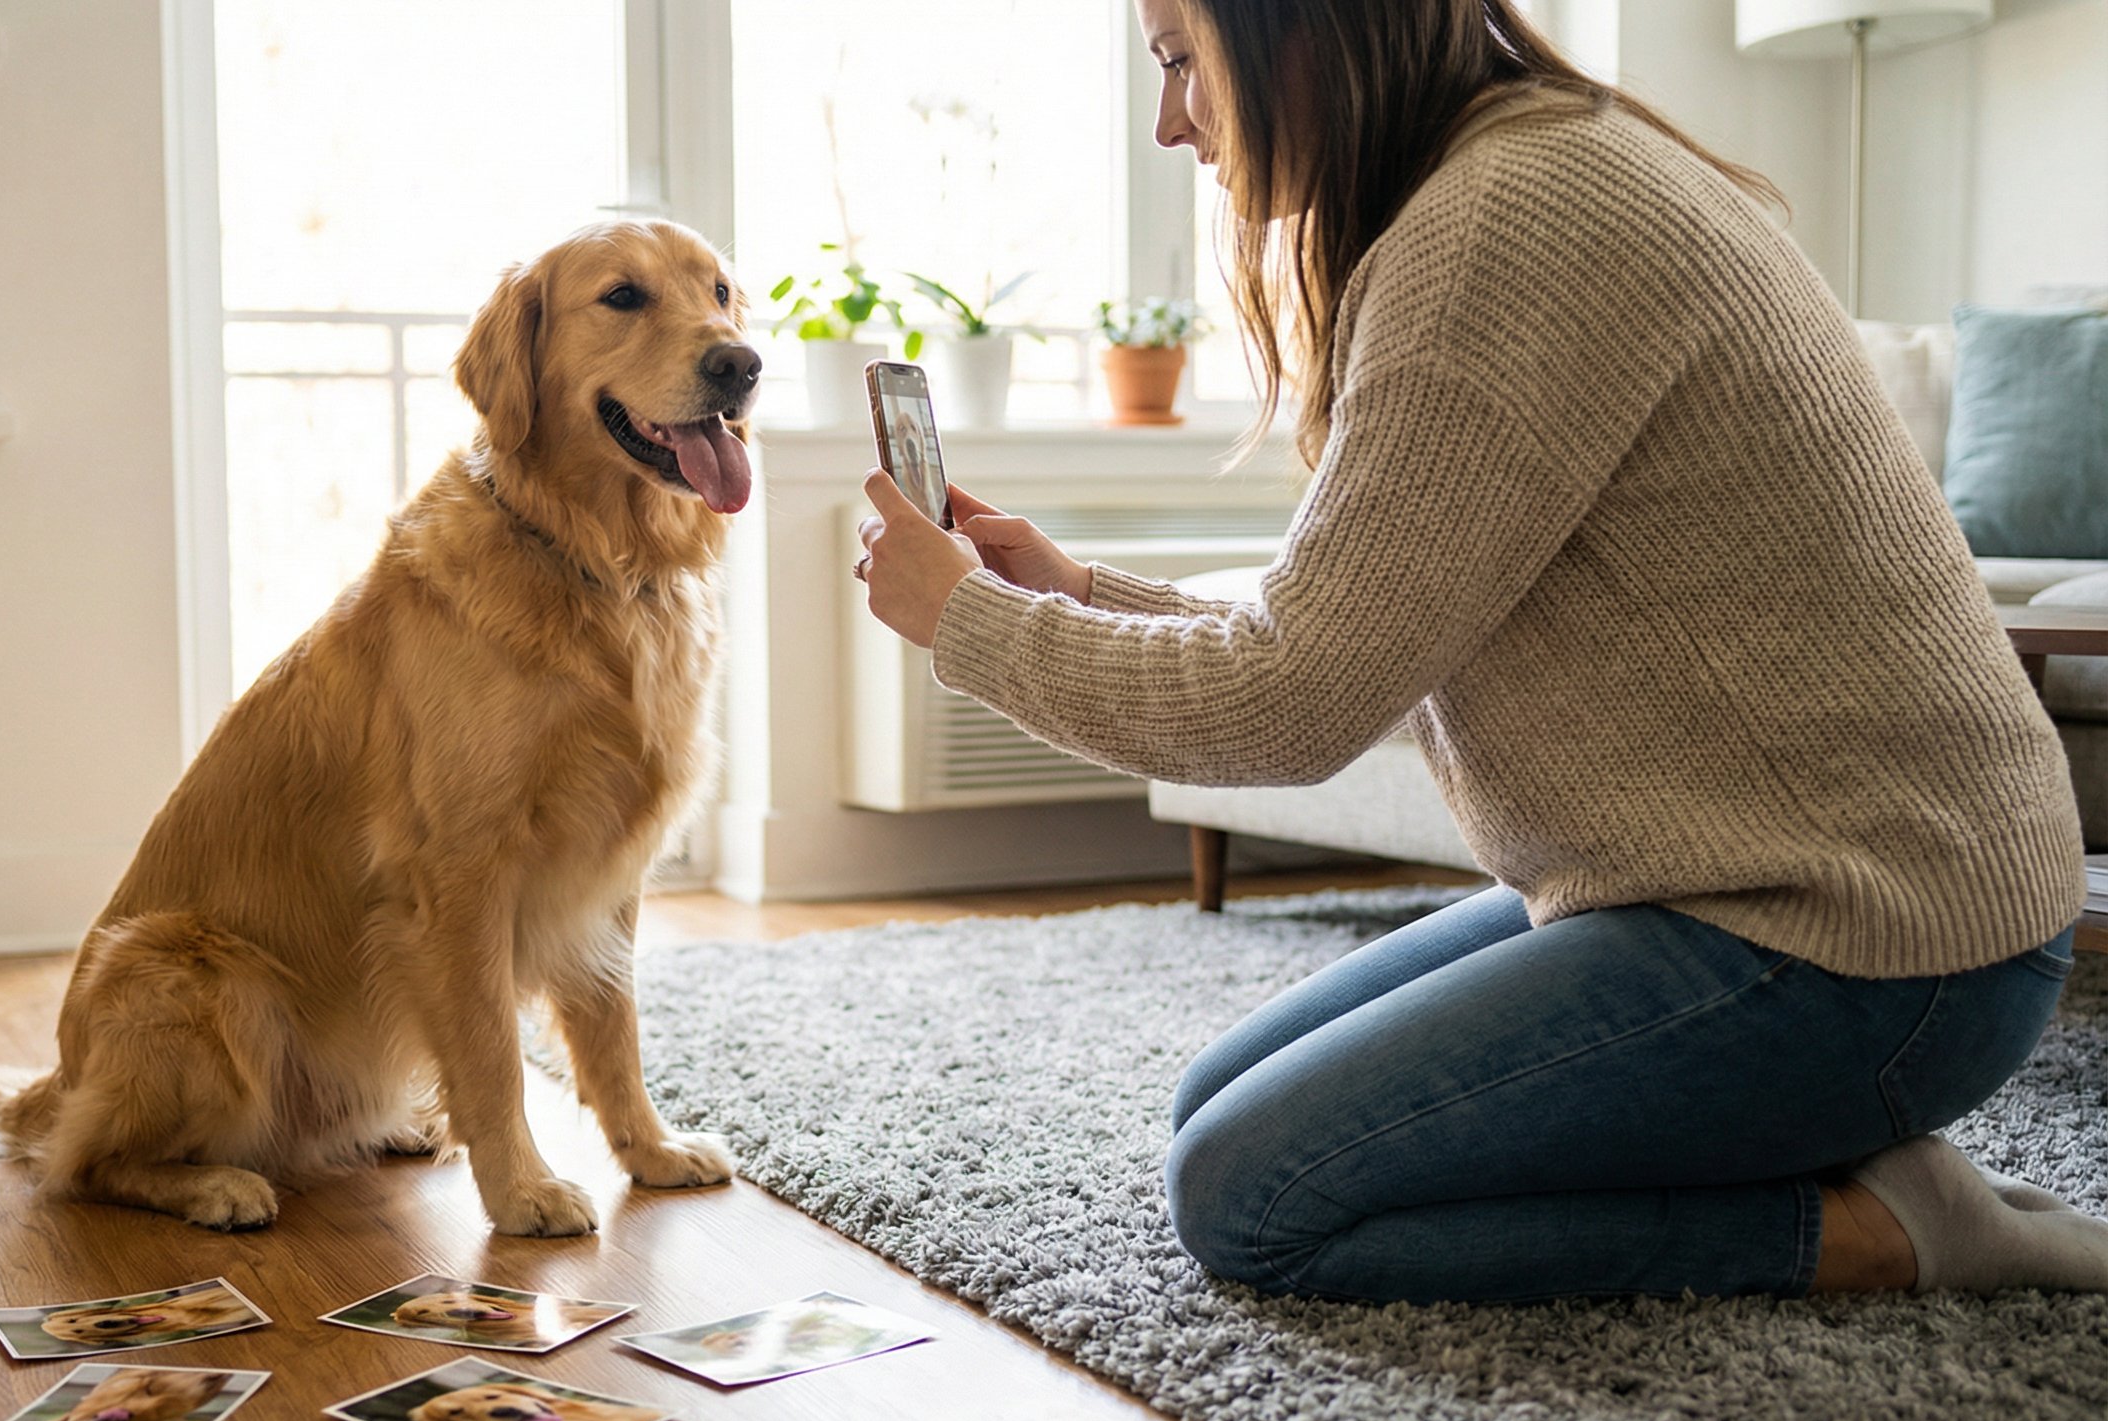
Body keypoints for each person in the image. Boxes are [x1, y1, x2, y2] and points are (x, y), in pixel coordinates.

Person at [852, 0, 2108, 1304]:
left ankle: (1892, 1232)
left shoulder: (1499, 234)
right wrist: (1074, 593)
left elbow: (1291, 709)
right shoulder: (1524, 166)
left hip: (1878, 946)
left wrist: (973, 623)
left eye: (1179, 61)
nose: (1170, 123)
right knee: (1216, 1105)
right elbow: (1348, 631)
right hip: (1748, 880)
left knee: (1249, 1193)